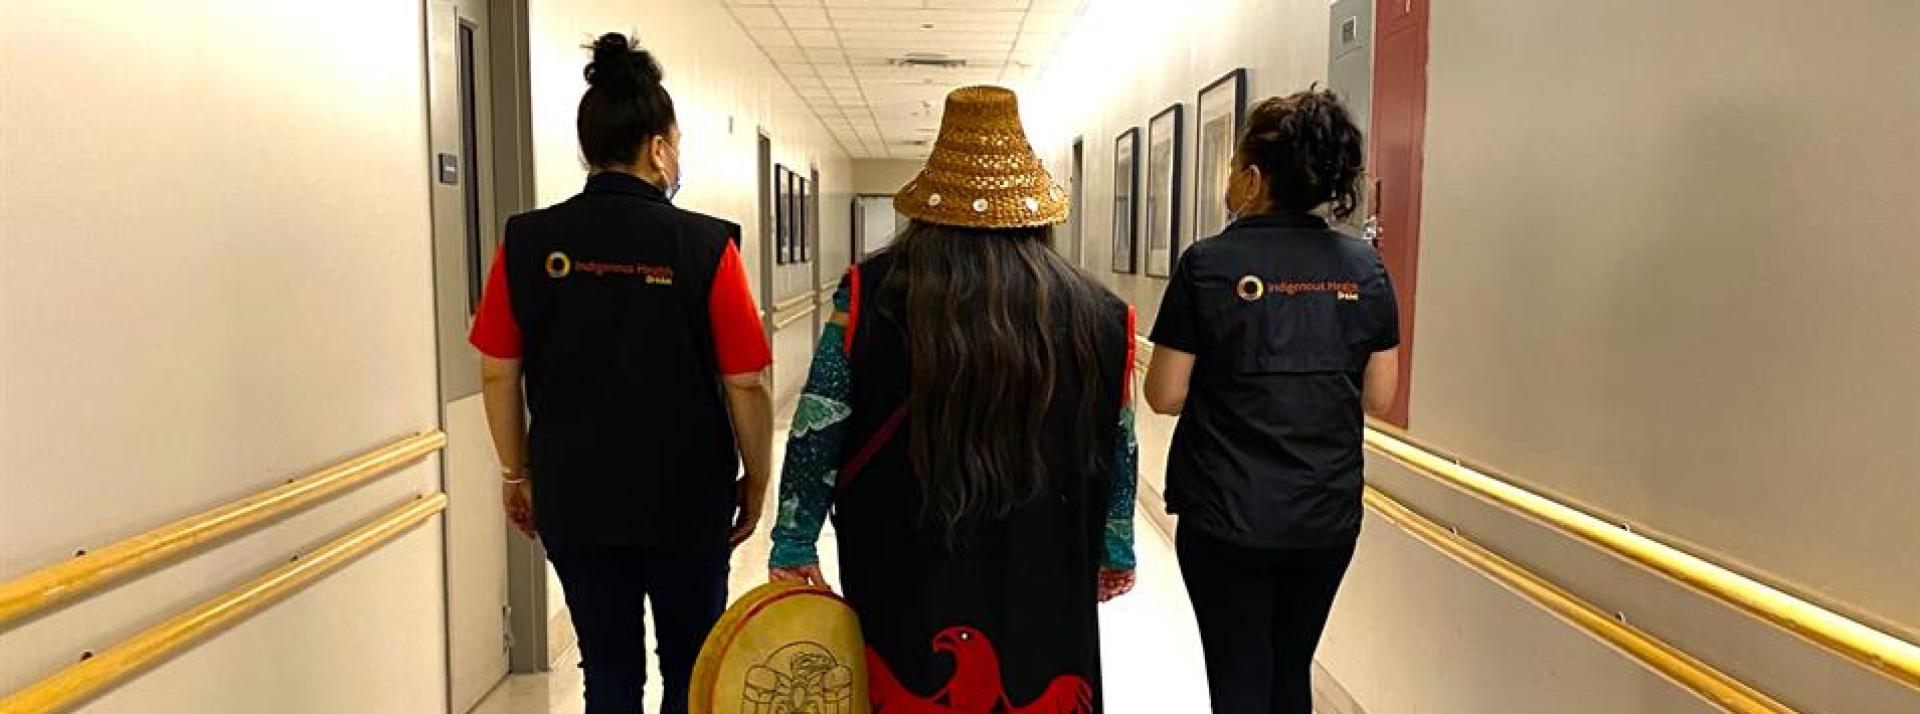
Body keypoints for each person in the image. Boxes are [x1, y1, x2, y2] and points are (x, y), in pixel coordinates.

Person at [767, 85, 1138, 713]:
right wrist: (1116, 545)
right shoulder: (1099, 312)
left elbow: (819, 420)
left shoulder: (871, 294)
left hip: (902, 548)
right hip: (1045, 551)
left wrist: (794, 538)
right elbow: (1118, 439)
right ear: (1035, 215)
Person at [467, 33, 774, 714]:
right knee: (692, 671)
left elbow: (496, 371)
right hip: (685, 498)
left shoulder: (526, 242)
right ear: (659, 147)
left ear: (589, 146)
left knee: (608, 673)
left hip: (576, 496)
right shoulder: (706, 244)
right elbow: (746, 381)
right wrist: (756, 478)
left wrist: (517, 474)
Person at [1143, 89, 1400, 714]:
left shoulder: (1207, 264)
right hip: (1325, 516)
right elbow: (1381, 396)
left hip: (1225, 514)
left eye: (1232, 166)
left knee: (1238, 678)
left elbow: (1165, 393)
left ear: (1253, 179)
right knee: (1291, 672)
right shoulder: (1364, 268)